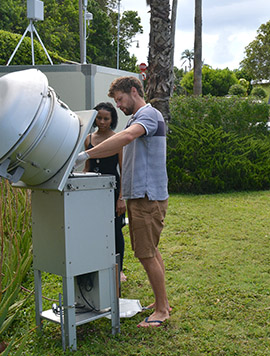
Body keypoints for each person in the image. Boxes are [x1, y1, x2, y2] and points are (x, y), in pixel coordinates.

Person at [76, 76, 170, 328]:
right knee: (151, 250)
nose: (118, 105)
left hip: (147, 196)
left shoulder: (148, 115)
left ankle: (162, 311)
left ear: (132, 91)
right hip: (141, 196)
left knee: (146, 253)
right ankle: (162, 302)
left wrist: (85, 154)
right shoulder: (138, 118)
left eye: (119, 99)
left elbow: (126, 138)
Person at [83, 102, 127, 283]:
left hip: (112, 189)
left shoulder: (118, 139)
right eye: (99, 118)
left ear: (112, 120)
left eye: (106, 118)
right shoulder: (88, 139)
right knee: (94, 229)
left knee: (115, 230)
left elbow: (123, 169)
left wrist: (121, 198)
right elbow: (87, 166)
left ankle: (119, 270)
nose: (102, 122)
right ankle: (98, 265)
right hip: (92, 190)